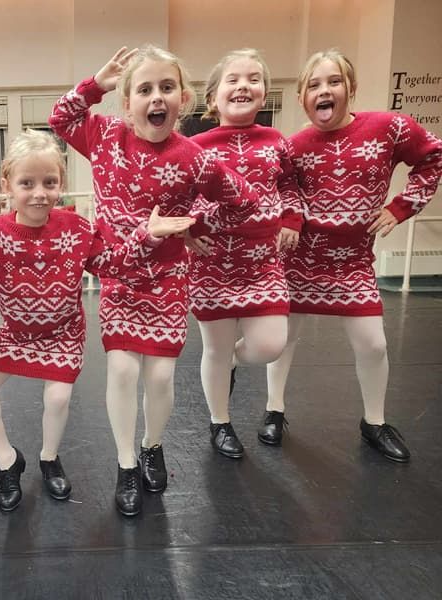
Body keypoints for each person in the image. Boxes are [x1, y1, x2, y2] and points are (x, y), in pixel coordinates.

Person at [0, 129, 195, 512]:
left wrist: (147, 236)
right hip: (16, 333)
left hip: (64, 333)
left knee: (57, 398)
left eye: (49, 182)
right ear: (7, 184)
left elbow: (114, 265)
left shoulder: (77, 229)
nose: (39, 192)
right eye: (27, 183)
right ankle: (9, 462)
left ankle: (48, 457)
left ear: (62, 184)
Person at [49, 46, 259, 516]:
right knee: (123, 370)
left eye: (166, 88)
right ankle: (125, 464)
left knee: (161, 376)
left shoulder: (193, 157)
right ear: (128, 102)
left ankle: (152, 444)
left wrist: (195, 223)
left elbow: (241, 199)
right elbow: (59, 118)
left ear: (182, 99)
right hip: (120, 273)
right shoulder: (105, 136)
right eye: (144, 89)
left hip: (166, 278)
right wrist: (93, 85)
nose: (155, 97)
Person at [266, 49, 442, 459]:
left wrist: (402, 207)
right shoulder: (293, 146)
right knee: (283, 341)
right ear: (301, 98)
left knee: (374, 346)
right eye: (313, 85)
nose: (323, 91)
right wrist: (291, 217)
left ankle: (374, 422)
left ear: (351, 88)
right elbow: (284, 186)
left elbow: (432, 157)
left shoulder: (389, 128)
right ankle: (274, 410)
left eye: (333, 81)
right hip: (300, 260)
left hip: (353, 264)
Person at [186, 49, 301, 458]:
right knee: (214, 350)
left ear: (265, 93)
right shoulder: (193, 145)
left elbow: (290, 186)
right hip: (211, 261)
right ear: (213, 95)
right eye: (233, 79)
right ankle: (220, 422)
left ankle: (229, 366)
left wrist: (292, 219)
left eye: (253, 78)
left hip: (262, 261)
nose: (243, 86)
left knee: (271, 343)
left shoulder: (276, 141)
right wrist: (186, 233)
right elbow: (177, 196)